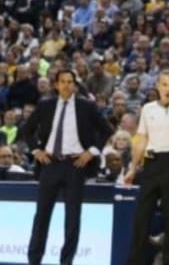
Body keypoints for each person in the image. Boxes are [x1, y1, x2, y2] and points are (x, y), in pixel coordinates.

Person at [23, 69, 113, 265]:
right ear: (56, 85)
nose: (66, 85)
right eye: (62, 81)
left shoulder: (86, 106)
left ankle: (66, 262)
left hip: (75, 165)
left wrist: (91, 151)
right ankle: (34, 260)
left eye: (70, 82)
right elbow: (27, 130)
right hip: (50, 164)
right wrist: (36, 151)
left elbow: (107, 129)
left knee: (72, 219)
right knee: (41, 216)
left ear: (75, 85)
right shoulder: (45, 105)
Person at [125, 70, 169, 265]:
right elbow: (141, 140)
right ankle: (135, 261)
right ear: (157, 86)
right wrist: (133, 168)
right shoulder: (147, 109)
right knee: (141, 217)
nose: (168, 89)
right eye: (164, 84)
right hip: (152, 163)